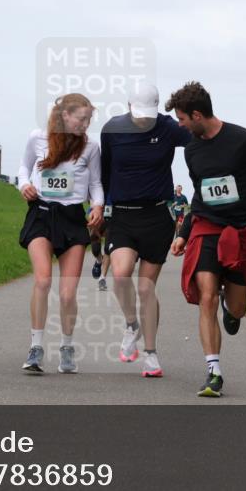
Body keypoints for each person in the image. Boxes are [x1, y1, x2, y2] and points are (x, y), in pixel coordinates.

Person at [167, 81, 246, 398]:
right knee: (205, 293)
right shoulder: (191, 150)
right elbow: (199, 195)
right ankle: (213, 372)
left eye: (181, 119)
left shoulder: (245, 141)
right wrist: (183, 233)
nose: (179, 126)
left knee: (237, 307)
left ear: (197, 114)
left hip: (239, 230)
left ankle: (230, 309)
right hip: (206, 226)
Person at [100, 82, 192, 377]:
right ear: (128, 106)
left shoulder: (167, 128)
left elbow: (201, 138)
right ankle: (131, 325)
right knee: (120, 273)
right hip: (123, 215)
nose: (144, 120)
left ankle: (151, 355)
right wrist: (100, 207)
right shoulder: (112, 130)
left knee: (146, 287)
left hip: (156, 216)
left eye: (149, 115)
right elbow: (104, 171)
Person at [17, 94, 104, 374]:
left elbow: (96, 183)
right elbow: (23, 167)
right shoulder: (37, 137)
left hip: (72, 219)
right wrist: (24, 184)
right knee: (42, 281)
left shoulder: (91, 146)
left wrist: (98, 205)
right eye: (82, 118)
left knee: (67, 294)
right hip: (41, 214)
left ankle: (67, 347)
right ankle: (36, 348)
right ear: (65, 115)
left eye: (89, 119)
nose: (86, 124)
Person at [89, 212, 111, 292]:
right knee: (95, 249)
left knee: (108, 246)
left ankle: (102, 278)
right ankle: (99, 260)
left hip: (113, 214)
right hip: (97, 214)